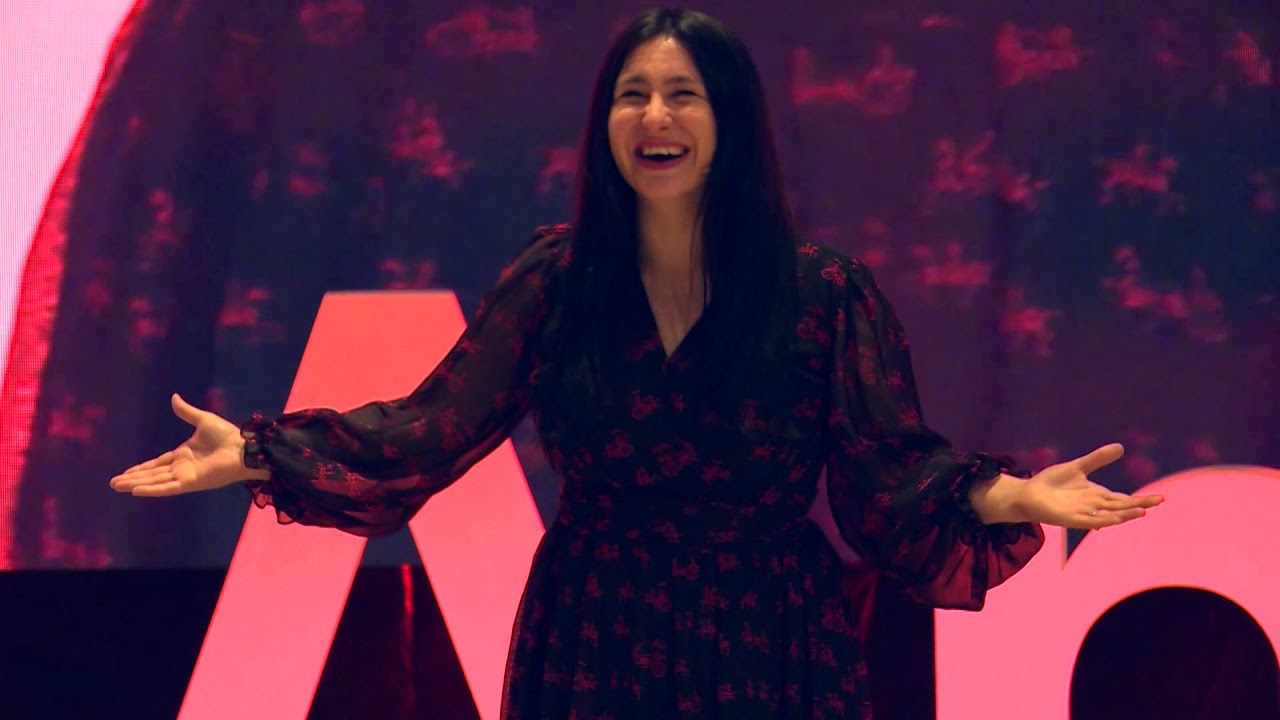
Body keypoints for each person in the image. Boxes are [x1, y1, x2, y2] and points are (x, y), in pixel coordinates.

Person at [111, 8, 1163, 718]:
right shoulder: (557, 279)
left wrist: (1012, 493)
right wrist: (257, 452)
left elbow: (889, 473)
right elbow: (430, 428)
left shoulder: (820, 292)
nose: (654, 118)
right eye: (632, 94)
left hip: (766, 637)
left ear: (730, 120)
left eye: (683, 95)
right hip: (593, 632)